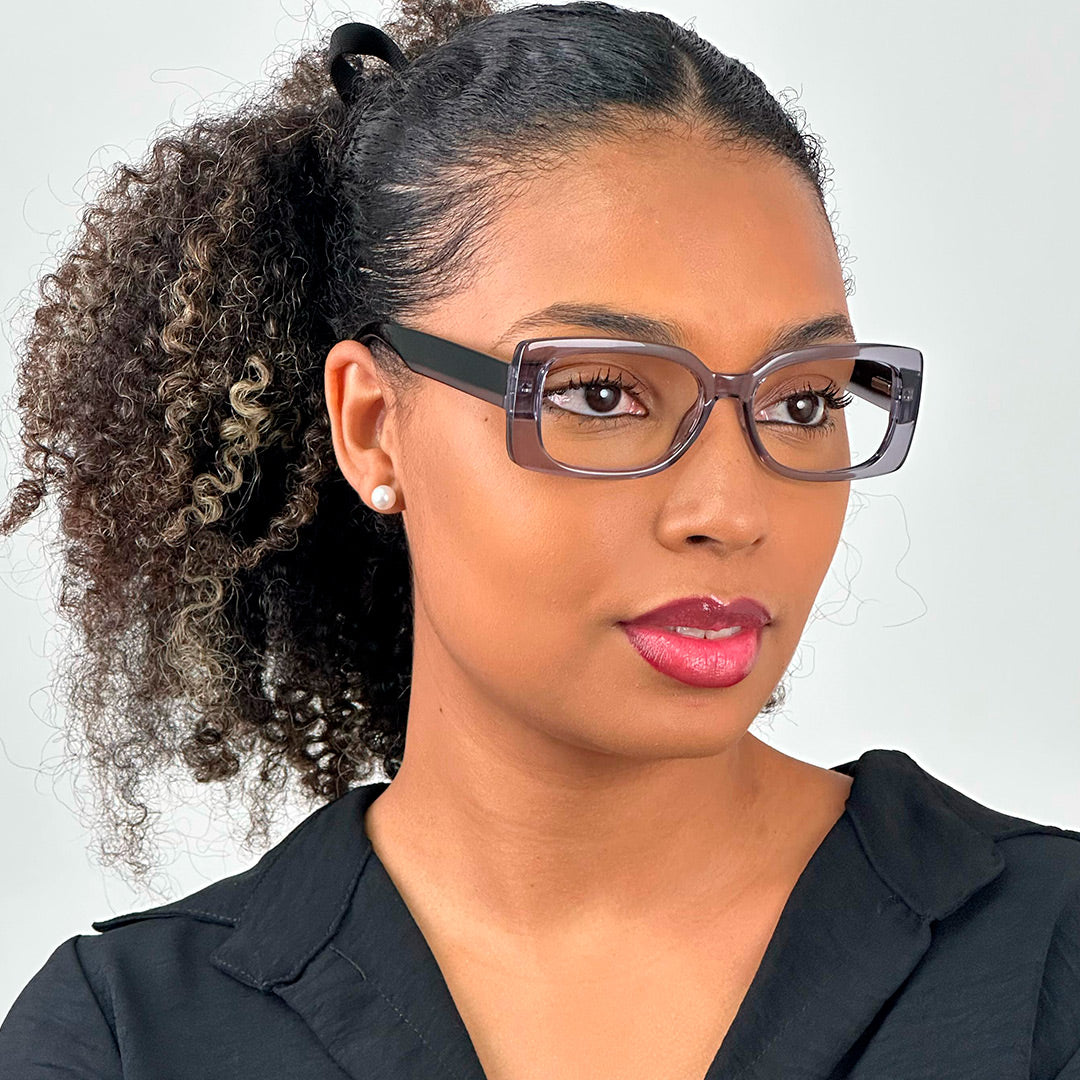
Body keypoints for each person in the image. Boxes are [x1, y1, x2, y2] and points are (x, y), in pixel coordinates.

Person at [0, 0, 1078, 1076]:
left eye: (802, 401)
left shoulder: (1049, 965)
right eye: (601, 394)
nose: (731, 510)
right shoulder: (130, 1039)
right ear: (372, 427)